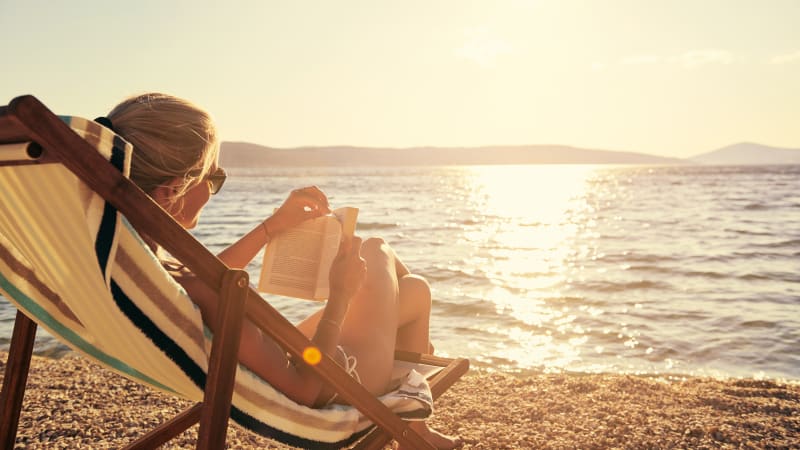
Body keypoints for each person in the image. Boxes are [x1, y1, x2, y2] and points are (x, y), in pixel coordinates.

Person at [102, 92, 460, 449]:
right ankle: (413, 429)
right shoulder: (195, 286)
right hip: (333, 381)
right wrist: (340, 296)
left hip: (298, 358)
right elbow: (305, 389)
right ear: (171, 192)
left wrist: (272, 227)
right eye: (214, 179)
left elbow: (204, 275)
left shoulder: (133, 260)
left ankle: (416, 433)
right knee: (380, 253)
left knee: (411, 291)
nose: (214, 190)